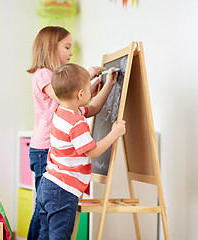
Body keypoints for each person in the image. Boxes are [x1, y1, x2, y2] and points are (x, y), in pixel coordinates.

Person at [26, 26, 104, 240]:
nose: (71, 53)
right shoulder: (43, 74)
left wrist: (87, 88)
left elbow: (73, 100)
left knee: (43, 211)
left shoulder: (50, 75)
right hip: (44, 148)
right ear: (51, 48)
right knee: (42, 213)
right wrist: (84, 79)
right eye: (67, 47)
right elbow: (64, 97)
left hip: (47, 148)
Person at [37, 63, 126, 240]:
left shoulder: (61, 112)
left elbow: (93, 109)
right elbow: (92, 152)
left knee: (44, 235)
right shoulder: (76, 123)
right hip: (63, 190)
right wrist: (114, 133)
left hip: (47, 186)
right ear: (80, 94)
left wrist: (108, 84)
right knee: (58, 237)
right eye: (87, 88)